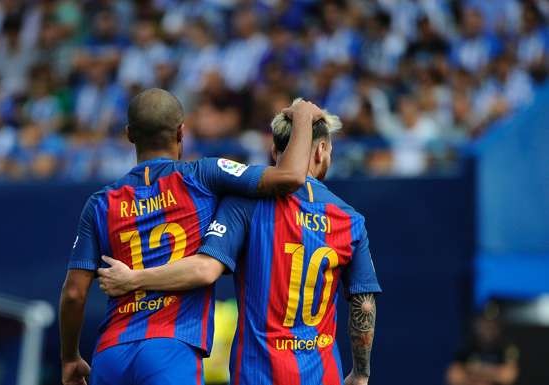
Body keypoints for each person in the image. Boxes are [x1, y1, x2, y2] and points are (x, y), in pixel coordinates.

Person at [98, 103, 382, 385]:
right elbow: (364, 305)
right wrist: (360, 372)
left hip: (258, 374)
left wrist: (135, 278)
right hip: (324, 374)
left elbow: (205, 268)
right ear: (321, 151)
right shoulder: (351, 219)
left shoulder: (244, 203)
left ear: (274, 151)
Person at [59, 88, 325, 385]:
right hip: (172, 347)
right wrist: (302, 116)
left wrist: (70, 357)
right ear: (181, 132)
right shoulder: (202, 175)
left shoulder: (100, 202)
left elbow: (74, 294)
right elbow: (290, 177)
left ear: (129, 135)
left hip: (111, 352)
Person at [446, 303, 519, 385]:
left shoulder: (506, 348)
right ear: (477, 324)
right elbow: (454, 376)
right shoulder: (467, 347)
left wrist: (475, 371)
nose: (487, 328)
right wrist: (494, 373)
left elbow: (508, 377)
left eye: (492, 324)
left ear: (498, 326)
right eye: (484, 323)